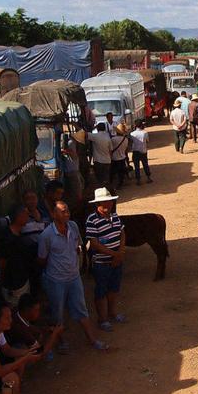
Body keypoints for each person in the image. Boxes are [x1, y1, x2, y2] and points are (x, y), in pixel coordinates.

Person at [37, 201, 108, 351]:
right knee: (58, 314)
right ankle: (61, 342)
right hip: (56, 280)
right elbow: (42, 259)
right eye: (63, 211)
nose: (67, 214)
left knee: (81, 309)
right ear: (53, 214)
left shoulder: (74, 227)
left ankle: (92, 340)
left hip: (74, 277)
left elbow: (78, 247)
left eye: (67, 211)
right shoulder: (46, 236)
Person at [86, 188, 126, 333]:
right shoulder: (92, 219)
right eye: (104, 202)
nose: (107, 205)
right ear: (98, 204)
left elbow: (122, 233)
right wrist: (116, 254)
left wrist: (120, 252)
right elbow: (95, 243)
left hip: (116, 260)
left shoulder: (114, 216)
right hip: (101, 263)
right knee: (101, 291)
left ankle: (112, 313)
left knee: (114, 288)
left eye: (109, 202)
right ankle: (102, 319)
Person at [6, 294, 64, 360]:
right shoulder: (23, 332)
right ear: (27, 311)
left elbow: (29, 327)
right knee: (29, 349)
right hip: (9, 352)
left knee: (38, 333)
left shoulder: (16, 311)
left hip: (9, 343)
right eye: (36, 310)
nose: (38, 312)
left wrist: (46, 330)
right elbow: (41, 353)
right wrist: (55, 334)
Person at [0, 204, 33, 307]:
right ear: (19, 217)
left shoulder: (19, 233)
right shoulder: (7, 238)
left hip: (23, 281)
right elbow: (2, 262)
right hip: (13, 286)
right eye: (26, 214)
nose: (28, 216)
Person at [130, 120, 153, 185]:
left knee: (137, 166)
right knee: (145, 165)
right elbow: (147, 141)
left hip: (135, 151)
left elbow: (131, 142)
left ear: (135, 125)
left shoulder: (132, 134)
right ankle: (148, 177)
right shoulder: (145, 133)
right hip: (143, 151)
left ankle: (138, 180)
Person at [63, 136, 84, 206]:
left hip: (73, 169)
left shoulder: (72, 142)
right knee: (77, 188)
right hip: (73, 169)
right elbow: (74, 155)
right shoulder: (72, 143)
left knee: (78, 187)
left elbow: (73, 154)